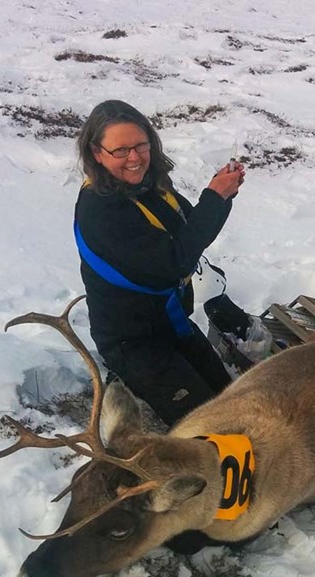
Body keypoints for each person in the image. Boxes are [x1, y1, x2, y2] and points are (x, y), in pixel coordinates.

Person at [75, 99, 251, 426]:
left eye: (141, 146)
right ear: (97, 153)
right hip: (134, 342)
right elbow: (174, 262)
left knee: (233, 403)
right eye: (121, 150)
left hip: (171, 325)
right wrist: (215, 197)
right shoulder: (101, 212)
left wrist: (223, 196)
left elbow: (190, 230)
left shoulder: (148, 186)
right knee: (208, 427)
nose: (134, 158)